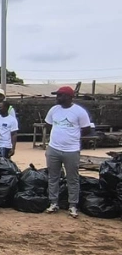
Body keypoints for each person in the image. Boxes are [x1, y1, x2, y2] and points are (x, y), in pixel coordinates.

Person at [44, 86, 91, 218]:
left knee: (72, 179)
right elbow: (49, 125)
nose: (57, 98)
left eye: (60, 95)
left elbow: (86, 129)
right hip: (53, 149)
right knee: (53, 177)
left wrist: (72, 136)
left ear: (69, 97)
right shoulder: (54, 110)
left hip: (71, 150)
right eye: (57, 95)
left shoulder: (79, 112)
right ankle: (53, 203)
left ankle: (73, 205)